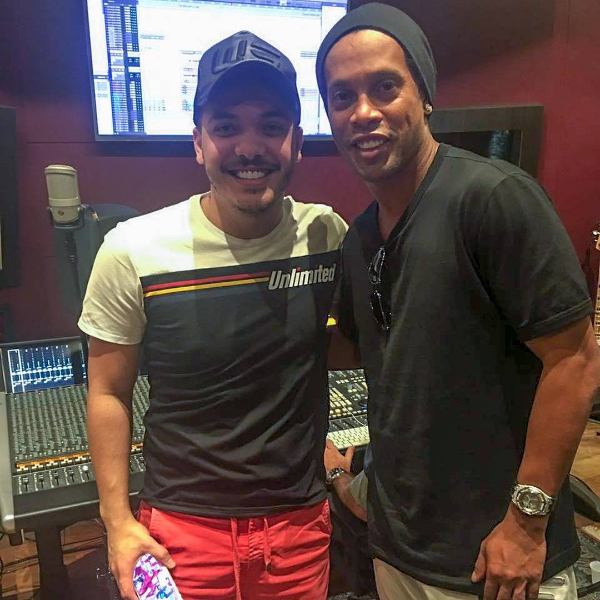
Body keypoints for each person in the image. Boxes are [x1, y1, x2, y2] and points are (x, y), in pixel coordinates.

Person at [316, 5, 600, 600]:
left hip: (496, 560)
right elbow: (364, 355)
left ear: (424, 96)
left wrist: (526, 525)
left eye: (384, 87)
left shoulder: (494, 198)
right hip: (398, 551)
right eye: (342, 96)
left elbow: (575, 360)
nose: (362, 111)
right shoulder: (359, 236)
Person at [80, 31, 347, 600]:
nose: (250, 147)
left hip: (297, 531)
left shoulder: (327, 235)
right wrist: (117, 522)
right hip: (177, 537)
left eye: (271, 126)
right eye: (226, 127)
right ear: (198, 143)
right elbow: (107, 392)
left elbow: (345, 345)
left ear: (297, 142)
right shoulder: (132, 250)